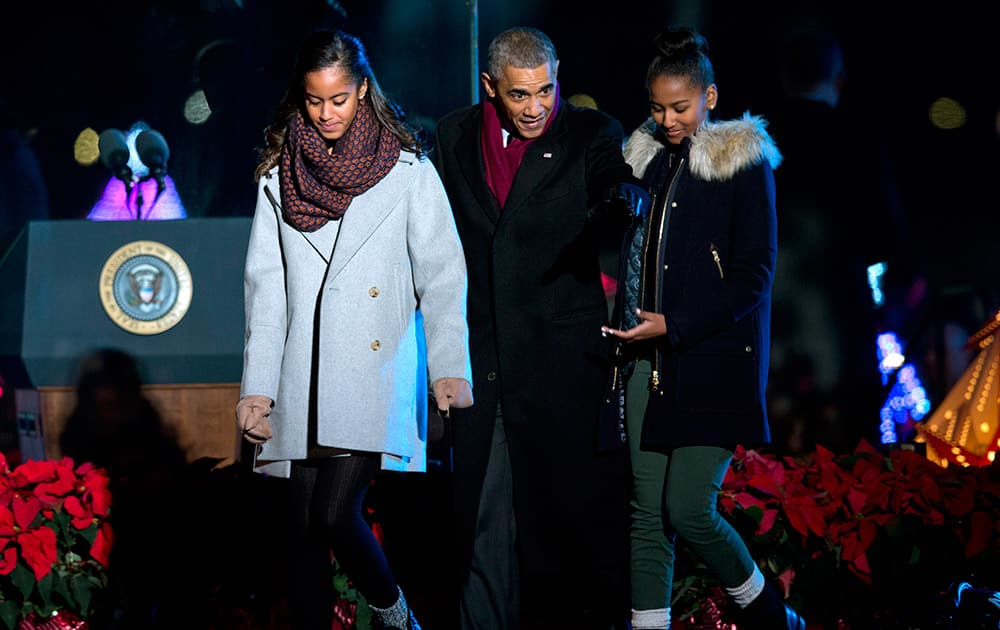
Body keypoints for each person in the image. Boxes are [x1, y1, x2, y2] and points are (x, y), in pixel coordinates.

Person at [237, 30, 472, 630]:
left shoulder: (409, 173)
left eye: (339, 98)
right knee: (301, 534)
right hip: (302, 374)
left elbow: (443, 275)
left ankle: (398, 618)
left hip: (375, 366)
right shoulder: (277, 178)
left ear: (363, 89)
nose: (327, 113)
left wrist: (449, 366)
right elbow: (267, 293)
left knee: (334, 514)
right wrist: (257, 387)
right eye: (315, 100)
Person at [434, 26, 644, 630]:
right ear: (490, 87)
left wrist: (621, 196)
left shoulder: (589, 132)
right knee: (481, 518)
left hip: (560, 367)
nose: (537, 107)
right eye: (521, 95)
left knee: (565, 522)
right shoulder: (452, 134)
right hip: (483, 358)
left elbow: (612, 174)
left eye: (546, 91)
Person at [600, 27, 805, 629]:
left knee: (687, 508)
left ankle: (771, 616)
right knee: (646, 514)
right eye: (658, 108)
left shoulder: (744, 162)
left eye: (680, 108)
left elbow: (754, 277)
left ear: (710, 97)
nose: (666, 120)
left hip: (712, 363)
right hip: (645, 361)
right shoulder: (649, 162)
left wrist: (678, 323)